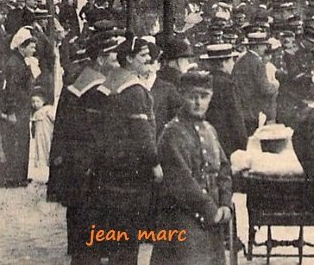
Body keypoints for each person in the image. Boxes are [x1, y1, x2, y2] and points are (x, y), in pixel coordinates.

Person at [48, 26, 121, 264]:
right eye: (114, 55)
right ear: (101, 58)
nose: (118, 60)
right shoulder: (96, 90)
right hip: (91, 174)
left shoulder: (79, 82)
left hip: (77, 173)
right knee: (91, 241)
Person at [151, 70, 233, 265]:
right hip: (182, 220)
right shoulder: (172, 133)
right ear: (182, 96)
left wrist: (225, 204)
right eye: (192, 97)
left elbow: (223, 169)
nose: (198, 102)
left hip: (212, 220)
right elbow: (181, 180)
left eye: (203, 97)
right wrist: (210, 209)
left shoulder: (210, 130)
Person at [91, 36, 161, 265]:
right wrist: (154, 163)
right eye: (142, 56)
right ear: (129, 59)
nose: (148, 60)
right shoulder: (134, 90)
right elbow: (143, 134)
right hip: (132, 172)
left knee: (114, 235)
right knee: (129, 235)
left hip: (107, 168)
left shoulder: (109, 82)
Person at [0, 29, 43, 186]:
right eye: (31, 47)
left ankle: (21, 176)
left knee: (22, 140)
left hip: (22, 107)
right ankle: (14, 178)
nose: (34, 50)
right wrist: (11, 111)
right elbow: (11, 89)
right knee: (16, 142)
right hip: (17, 108)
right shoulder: (15, 64)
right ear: (21, 47)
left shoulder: (21, 61)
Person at [198, 42, 248, 156]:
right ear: (224, 62)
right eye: (231, 60)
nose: (233, 64)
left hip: (208, 137)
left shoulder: (205, 81)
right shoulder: (228, 84)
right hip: (227, 141)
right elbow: (236, 117)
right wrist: (244, 145)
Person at [232, 25, 280, 134]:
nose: (265, 49)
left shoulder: (241, 60)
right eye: (264, 46)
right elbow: (265, 89)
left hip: (242, 109)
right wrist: (275, 85)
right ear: (258, 46)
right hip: (255, 110)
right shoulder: (258, 63)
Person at [150, 32, 194, 136]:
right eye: (186, 60)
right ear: (179, 61)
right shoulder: (179, 82)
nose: (188, 63)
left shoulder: (156, 78)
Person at [28, 88, 56, 183]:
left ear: (43, 101)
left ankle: (52, 176)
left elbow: (54, 120)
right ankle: (46, 174)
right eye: (33, 102)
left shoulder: (48, 110)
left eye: (38, 101)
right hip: (39, 138)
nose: (35, 104)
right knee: (42, 153)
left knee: (49, 151)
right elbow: (33, 126)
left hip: (47, 135)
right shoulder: (35, 113)